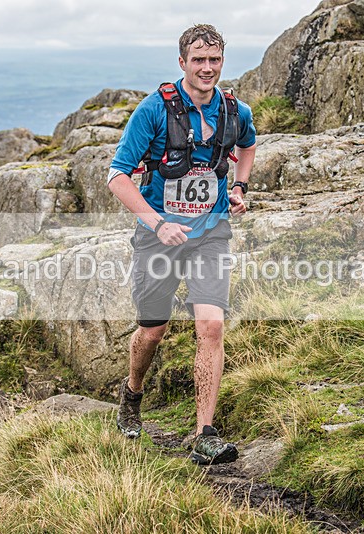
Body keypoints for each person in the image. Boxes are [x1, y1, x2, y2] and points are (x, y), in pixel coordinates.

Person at [106, 23, 257, 464]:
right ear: (182, 64)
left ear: (222, 62)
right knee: (153, 329)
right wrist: (156, 224)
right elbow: (117, 175)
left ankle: (204, 433)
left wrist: (241, 188)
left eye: (214, 60)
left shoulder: (235, 110)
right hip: (159, 237)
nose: (207, 68)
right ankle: (132, 394)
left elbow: (247, 145)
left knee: (210, 325)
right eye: (198, 60)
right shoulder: (153, 110)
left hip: (211, 232)